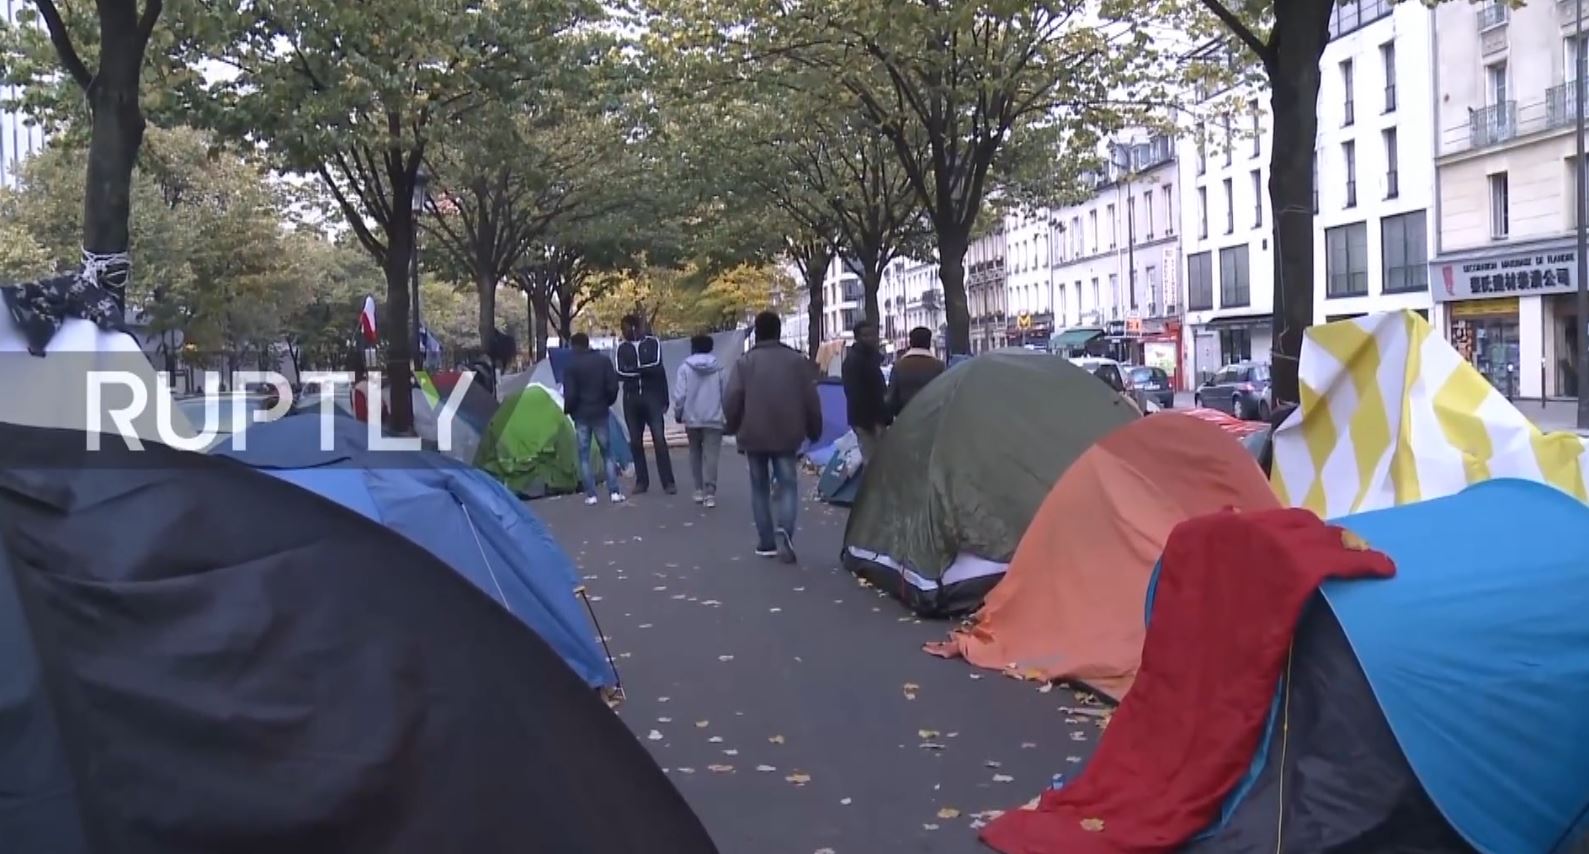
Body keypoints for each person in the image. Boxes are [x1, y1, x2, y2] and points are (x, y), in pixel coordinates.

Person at [724, 312, 823, 563]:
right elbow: (811, 400)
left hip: (753, 433)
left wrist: (733, 426)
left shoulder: (745, 362)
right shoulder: (797, 361)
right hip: (788, 432)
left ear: (757, 332)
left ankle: (766, 541)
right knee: (788, 483)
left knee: (759, 488)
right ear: (779, 331)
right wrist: (814, 429)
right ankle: (785, 532)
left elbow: (733, 398)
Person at [615, 314, 676, 494]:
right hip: (631, 399)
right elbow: (620, 373)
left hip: (652, 397)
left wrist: (664, 399)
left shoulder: (652, 343)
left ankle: (668, 482)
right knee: (635, 441)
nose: (624, 332)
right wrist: (643, 371)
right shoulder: (621, 348)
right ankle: (642, 482)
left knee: (659, 439)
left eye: (626, 328)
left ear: (635, 328)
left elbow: (658, 366)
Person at [562, 332, 625, 506]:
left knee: (583, 455)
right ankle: (614, 492)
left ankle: (591, 495)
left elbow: (571, 394)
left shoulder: (571, 366)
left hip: (581, 415)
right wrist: (606, 401)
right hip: (600, 411)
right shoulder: (603, 361)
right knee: (607, 453)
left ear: (574, 346)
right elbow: (613, 386)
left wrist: (570, 410)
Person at [672, 334, 728, 508]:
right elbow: (725, 393)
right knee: (711, 455)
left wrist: (678, 413)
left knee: (694, 452)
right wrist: (726, 414)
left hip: (692, 417)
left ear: (693, 347)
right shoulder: (719, 368)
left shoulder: (684, 368)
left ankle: (698, 489)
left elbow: (680, 395)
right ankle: (710, 493)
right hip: (714, 417)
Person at [841, 319, 890, 462]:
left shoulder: (868, 359)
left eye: (873, 334)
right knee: (873, 462)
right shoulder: (856, 361)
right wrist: (873, 423)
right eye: (866, 335)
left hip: (871, 419)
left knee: (876, 461)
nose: (871, 339)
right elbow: (856, 395)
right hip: (867, 421)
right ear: (857, 338)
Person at [886, 326, 946, 419]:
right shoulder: (938, 366)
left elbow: (891, 398)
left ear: (911, 342)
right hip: (931, 419)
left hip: (905, 418)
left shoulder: (899, 366)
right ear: (929, 343)